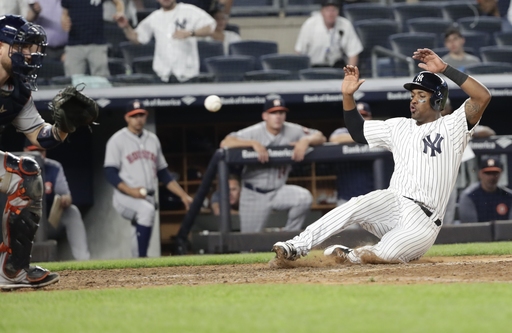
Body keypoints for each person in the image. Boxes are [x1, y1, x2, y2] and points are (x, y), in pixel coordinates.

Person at [272, 48, 492, 264]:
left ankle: (351, 255)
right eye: (412, 95)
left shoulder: (452, 127)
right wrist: (348, 96)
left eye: (421, 96)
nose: (413, 100)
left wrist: (445, 69)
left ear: (437, 101)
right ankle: (297, 245)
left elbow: (482, 96)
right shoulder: (398, 126)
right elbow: (358, 132)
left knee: (384, 255)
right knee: (356, 205)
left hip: (423, 220)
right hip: (392, 202)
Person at [0, 15, 75, 289]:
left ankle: (13, 272)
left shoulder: (17, 90)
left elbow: (41, 137)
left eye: (32, 47)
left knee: (27, 175)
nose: (30, 54)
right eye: (22, 47)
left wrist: (64, 126)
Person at [219, 97, 326, 233]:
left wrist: (306, 140)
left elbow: (321, 137)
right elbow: (225, 142)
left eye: (281, 113)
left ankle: (289, 239)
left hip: (278, 191)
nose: (278, 117)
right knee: (249, 241)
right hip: (254, 194)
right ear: (265, 116)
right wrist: (252, 143)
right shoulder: (254, 132)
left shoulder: (292, 130)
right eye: (273, 113)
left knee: (303, 198)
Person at [104, 99, 193, 257]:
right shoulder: (117, 140)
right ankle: (143, 259)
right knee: (146, 211)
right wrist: (131, 191)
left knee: (139, 229)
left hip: (148, 195)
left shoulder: (153, 139)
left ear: (146, 116)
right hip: (124, 197)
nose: (138, 119)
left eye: (141, 115)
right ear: (127, 118)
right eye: (134, 115)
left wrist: (184, 196)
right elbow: (110, 172)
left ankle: (137, 263)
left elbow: (163, 174)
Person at [116, 0, 216, 83]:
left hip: (188, 75)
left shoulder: (189, 11)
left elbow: (211, 26)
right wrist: (126, 27)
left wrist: (190, 33)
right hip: (162, 76)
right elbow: (137, 38)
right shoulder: (155, 17)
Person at [24, 143, 90, 260]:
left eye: (41, 152)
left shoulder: (53, 167)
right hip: (25, 226)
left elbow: (67, 196)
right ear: (25, 151)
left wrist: (65, 199)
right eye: (34, 152)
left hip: (48, 225)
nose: (39, 155)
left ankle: (83, 259)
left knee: (72, 211)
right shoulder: (15, 169)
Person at [61, 0, 124, 77]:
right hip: (74, 44)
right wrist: (64, 21)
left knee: (102, 80)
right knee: (73, 81)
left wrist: (120, 12)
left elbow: (118, 2)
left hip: (97, 43)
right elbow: (65, 13)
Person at [294, 0, 363, 68]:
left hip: (337, 67)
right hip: (313, 68)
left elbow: (353, 53)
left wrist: (349, 75)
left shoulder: (345, 25)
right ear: (322, 12)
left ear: (338, 12)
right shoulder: (310, 24)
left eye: (334, 10)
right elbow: (299, 52)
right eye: (327, 10)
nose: (331, 14)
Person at [329, 102, 374, 205]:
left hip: (372, 199)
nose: (361, 119)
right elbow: (334, 139)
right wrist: (362, 136)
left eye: (364, 115)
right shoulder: (342, 131)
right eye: (357, 116)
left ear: (370, 117)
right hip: (346, 200)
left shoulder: (376, 132)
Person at [458, 156, 512, 223]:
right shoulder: (469, 196)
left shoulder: (508, 196)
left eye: (495, 173)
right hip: (478, 233)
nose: (492, 177)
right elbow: (470, 228)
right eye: (488, 173)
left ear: (500, 173)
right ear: (480, 174)